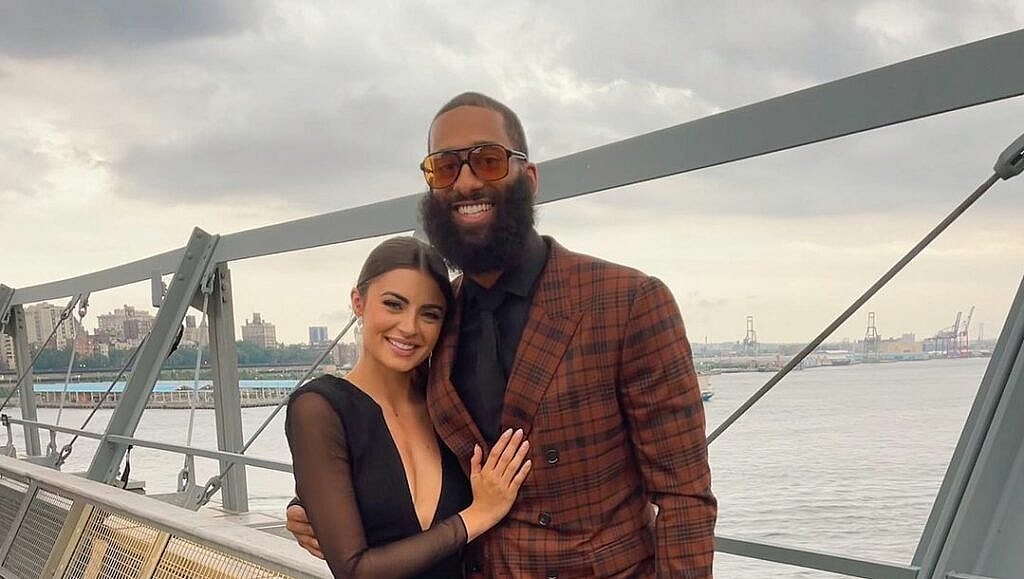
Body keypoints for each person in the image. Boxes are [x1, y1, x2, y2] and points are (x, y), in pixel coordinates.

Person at [288, 92, 717, 577]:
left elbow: (684, 497)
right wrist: (320, 499)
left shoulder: (628, 301)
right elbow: (389, 426)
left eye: (488, 161)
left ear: (528, 178)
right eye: (445, 168)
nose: (466, 181)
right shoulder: (438, 317)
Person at [285, 236, 532, 578]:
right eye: (393, 304)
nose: (409, 327)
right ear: (358, 302)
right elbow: (355, 570)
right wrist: (476, 516)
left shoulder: (448, 402)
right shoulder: (320, 410)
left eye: (429, 314)